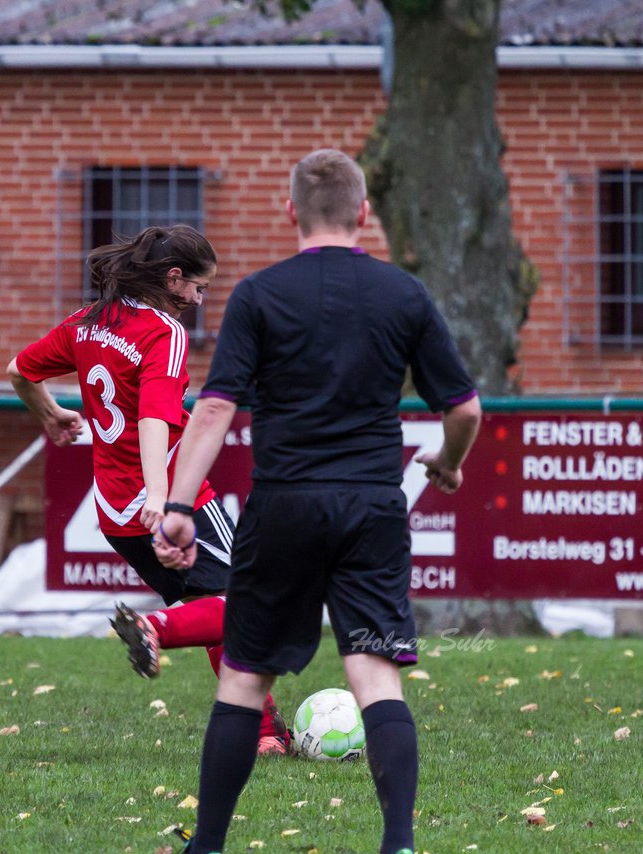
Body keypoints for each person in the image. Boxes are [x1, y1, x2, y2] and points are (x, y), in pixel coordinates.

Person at [158, 150, 482, 854]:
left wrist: (179, 507)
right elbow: (464, 409)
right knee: (375, 675)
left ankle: (207, 845)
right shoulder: (403, 295)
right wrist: (448, 466)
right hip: (370, 508)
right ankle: (398, 844)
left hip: (284, 506)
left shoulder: (258, 295)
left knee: (244, 680)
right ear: (364, 214)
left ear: (292, 213)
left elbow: (212, 412)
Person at [7, 224, 290, 756]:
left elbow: (18, 369)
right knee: (248, 604)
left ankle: (265, 736)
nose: (200, 300)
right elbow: (155, 422)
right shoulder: (163, 332)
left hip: (115, 513)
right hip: (169, 499)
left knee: (214, 608)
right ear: (174, 278)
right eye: (199, 288)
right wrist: (165, 502)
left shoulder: (89, 322)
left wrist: (49, 415)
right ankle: (156, 629)